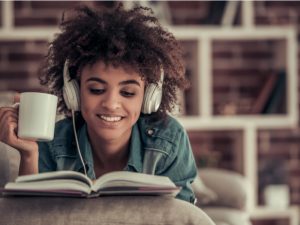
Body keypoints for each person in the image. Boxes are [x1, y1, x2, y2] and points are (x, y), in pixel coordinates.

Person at [0, 4, 197, 203]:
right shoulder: (53, 143)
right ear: (74, 92)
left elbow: (183, 217)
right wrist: (29, 154)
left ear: (148, 98)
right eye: (96, 90)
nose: (111, 104)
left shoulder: (168, 140)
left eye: (128, 92)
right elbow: (31, 217)